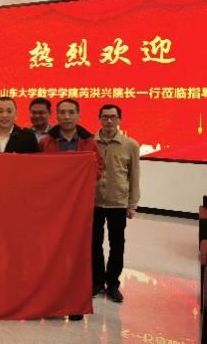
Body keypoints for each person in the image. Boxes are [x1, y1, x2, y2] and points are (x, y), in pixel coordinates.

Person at [39, 98, 103, 321]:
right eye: (62, 112)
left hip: (78, 209)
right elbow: (37, 172)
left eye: (71, 112)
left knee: (77, 255)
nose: (66, 117)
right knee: (50, 254)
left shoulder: (89, 143)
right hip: (51, 208)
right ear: (56, 116)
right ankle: (50, 302)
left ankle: (75, 303)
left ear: (78, 115)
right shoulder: (46, 142)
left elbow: (99, 170)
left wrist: (82, 172)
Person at [93, 104, 140, 303]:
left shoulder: (130, 145)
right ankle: (96, 281)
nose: (109, 121)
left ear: (119, 120)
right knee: (94, 243)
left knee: (117, 244)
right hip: (94, 202)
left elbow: (134, 176)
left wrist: (132, 203)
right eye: (105, 117)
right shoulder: (90, 143)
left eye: (113, 117)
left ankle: (112, 283)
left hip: (118, 202)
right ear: (99, 119)